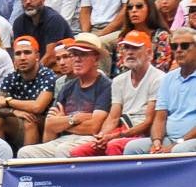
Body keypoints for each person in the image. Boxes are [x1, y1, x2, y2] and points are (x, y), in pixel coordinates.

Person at [17, 34, 113, 158]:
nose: (77, 59)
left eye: (82, 55)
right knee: (25, 152)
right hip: (63, 139)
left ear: (96, 59)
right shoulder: (67, 87)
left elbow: (94, 127)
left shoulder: (106, 86)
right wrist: (75, 119)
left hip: (90, 139)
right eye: (73, 54)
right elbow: (50, 125)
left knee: (63, 150)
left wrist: (63, 123)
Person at [70, 31, 162, 157]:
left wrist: (116, 136)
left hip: (143, 133)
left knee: (113, 146)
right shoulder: (119, 81)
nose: (129, 52)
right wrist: (102, 136)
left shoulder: (159, 78)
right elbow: (113, 118)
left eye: (135, 48)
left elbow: (149, 121)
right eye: (126, 48)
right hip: (121, 130)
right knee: (79, 152)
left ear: (149, 53)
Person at [124, 27, 196, 155]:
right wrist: (157, 142)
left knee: (179, 150)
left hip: (189, 141)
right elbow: (160, 118)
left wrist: (178, 143)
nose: (179, 50)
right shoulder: (168, 78)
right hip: (171, 139)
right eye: (174, 46)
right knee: (132, 147)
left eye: (184, 46)